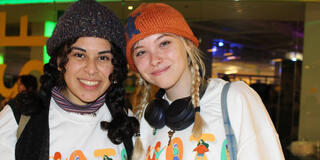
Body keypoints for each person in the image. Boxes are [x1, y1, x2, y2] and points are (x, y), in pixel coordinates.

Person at [125, 3, 284, 160]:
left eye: (164, 43)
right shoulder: (146, 120)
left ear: (187, 45)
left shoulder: (234, 98)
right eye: (141, 52)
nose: (154, 59)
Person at [0, 0, 139, 159]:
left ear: (115, 66)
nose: (91, 69)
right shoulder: (19, 119)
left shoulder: (125, 120)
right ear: (59, 61)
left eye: (103, 57)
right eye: (79, 55)